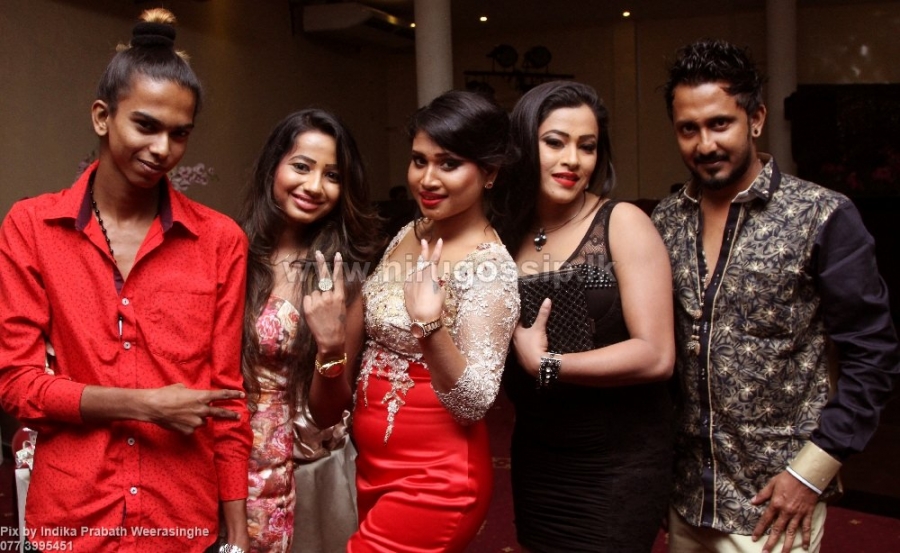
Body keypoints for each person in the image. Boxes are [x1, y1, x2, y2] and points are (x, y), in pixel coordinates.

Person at [0, 8, 252, 552]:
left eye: (180, 134)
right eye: (146, 125)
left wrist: (236, 532)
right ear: (102, 117)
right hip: (71, 519)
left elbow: (227, 401)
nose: (163, 149)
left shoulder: (220, 240)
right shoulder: (32, 228)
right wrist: (145, 405)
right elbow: (17, 386)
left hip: (179, 519)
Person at [651, 39, 900, 553]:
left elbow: (873, 355)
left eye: (720, 123)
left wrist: (812, 473)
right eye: (688, 129)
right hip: (687, 497)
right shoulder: (665, 221)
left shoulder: (821, 215)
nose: (705, 144)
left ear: (756, 119)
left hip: (775, 506)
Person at [311, 90, 520, 552]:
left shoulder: (491, 268)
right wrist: (330, 343)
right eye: (419, 161)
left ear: (489, 172)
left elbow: (475, 404)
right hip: (374, 468)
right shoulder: (411, 232)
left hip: (438, 482)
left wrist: (429, 326)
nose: (427, 179)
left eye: (449, 164)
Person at [489, 80, 676, 552]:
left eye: (587, 146)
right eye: (555, 142)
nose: (573, 159)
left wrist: (547, 365)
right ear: (523, 146)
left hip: (617, 460)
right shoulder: (504, 234)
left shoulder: (622, 223)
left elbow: (656, 355)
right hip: (538, 455)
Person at [238, 109, 382, 553]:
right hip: (221, 456)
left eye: (332, 175)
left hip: (297, 466)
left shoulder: (343, 276)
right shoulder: (232, 249)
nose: (314, 186)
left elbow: (327, 413)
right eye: (301, 166)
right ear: (273, 167)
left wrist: (330, 344)